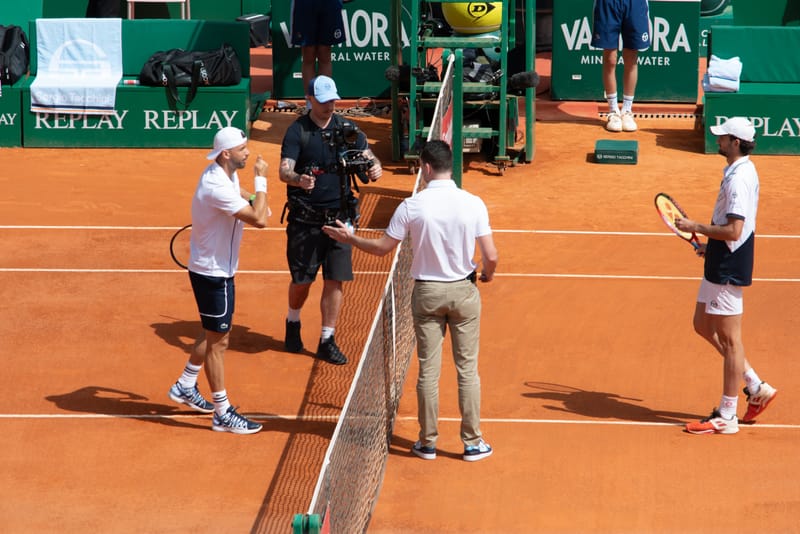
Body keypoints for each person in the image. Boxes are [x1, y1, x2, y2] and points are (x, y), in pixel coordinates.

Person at [322, 140, 499, 461]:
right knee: (467, 370)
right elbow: (491, 255)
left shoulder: (412, 206)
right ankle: (472, 443)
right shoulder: (474, 203)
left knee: (428, 371)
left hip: (427, 294)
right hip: (463, 293)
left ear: (427, 168)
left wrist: (349, 238)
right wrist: (487, 273)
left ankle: (427, 443)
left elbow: (381, 248)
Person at [675, 117, 777, 435]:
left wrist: (696, 228)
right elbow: (733, 229)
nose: (717, 140)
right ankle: (755, 384)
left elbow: (733, 230)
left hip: (730, 264)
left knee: (732, 342)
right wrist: (711, 246)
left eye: (723, 138)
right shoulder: (739, 170)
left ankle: (728, 415)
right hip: (723, 256)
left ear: (736, 142)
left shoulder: (739, 179)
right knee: (702, 325)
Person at [167, 126, 270, 435]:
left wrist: (252, 196)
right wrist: (261, 182)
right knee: (219, 341)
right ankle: (222, 412)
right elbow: (261, 219)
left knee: (213, 332)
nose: (248, 153)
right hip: (213, 274)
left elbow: (243, 196)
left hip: (217, 269)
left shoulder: (223, 173)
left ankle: (185, 384)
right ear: (227, 154)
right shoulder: (216, 185)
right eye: (242, 149)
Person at [279, 75, 383, 365]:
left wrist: (375, 168)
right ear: (310, 99)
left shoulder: (348, 128)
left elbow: (370, 157)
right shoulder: (297, 131)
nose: (330, 106)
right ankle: (293, 320)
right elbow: (283, 170)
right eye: (324, 101)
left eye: (333, 100)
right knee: (302, 281)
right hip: (306, 221)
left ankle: (327, 338)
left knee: (335, 280)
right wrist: (298, 179)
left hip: (340, 220)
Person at [591, 0, 650, 132]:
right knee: (610, 59)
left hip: (635, 4)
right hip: (608, 4)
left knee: (631, 58)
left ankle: (627, 111)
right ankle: (613, 111)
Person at [290, 0, 347, 109]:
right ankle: (310, 105)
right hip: (305, 4)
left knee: (324, 54)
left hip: (328, 4)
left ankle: (325, 102)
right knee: (308, 55)